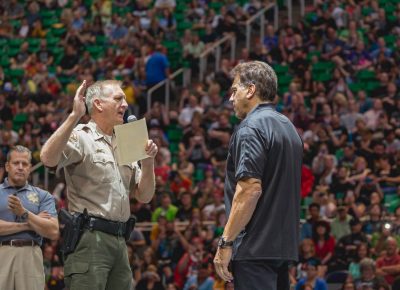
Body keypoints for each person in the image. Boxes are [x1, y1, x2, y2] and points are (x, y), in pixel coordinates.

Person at [40, 80, 158, 290]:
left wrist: (148, 163)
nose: (125, 104)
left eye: (124, 99)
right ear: (98, 104)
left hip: (121, 241)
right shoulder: (82, 136)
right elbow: (47, 158)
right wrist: (74, 116)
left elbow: (144, 196)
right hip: (90, 239)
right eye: (118, 99)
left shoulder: (126, 141)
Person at [213, 61, 303, 290]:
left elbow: (251, 189)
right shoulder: (289, 127)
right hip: (284, 249)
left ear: (251, 90)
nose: (231, 99)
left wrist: (226, 242)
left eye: (234, 91)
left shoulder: (250, 128)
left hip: (255, 249)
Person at [0, 145, 59, 290]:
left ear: (30, 168)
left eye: (25, 164)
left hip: (31, 256)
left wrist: (24, 213)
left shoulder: (43, 195)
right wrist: (30, 223)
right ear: (7, 166)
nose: (20, 167)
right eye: (16, 163)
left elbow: (53, 231)